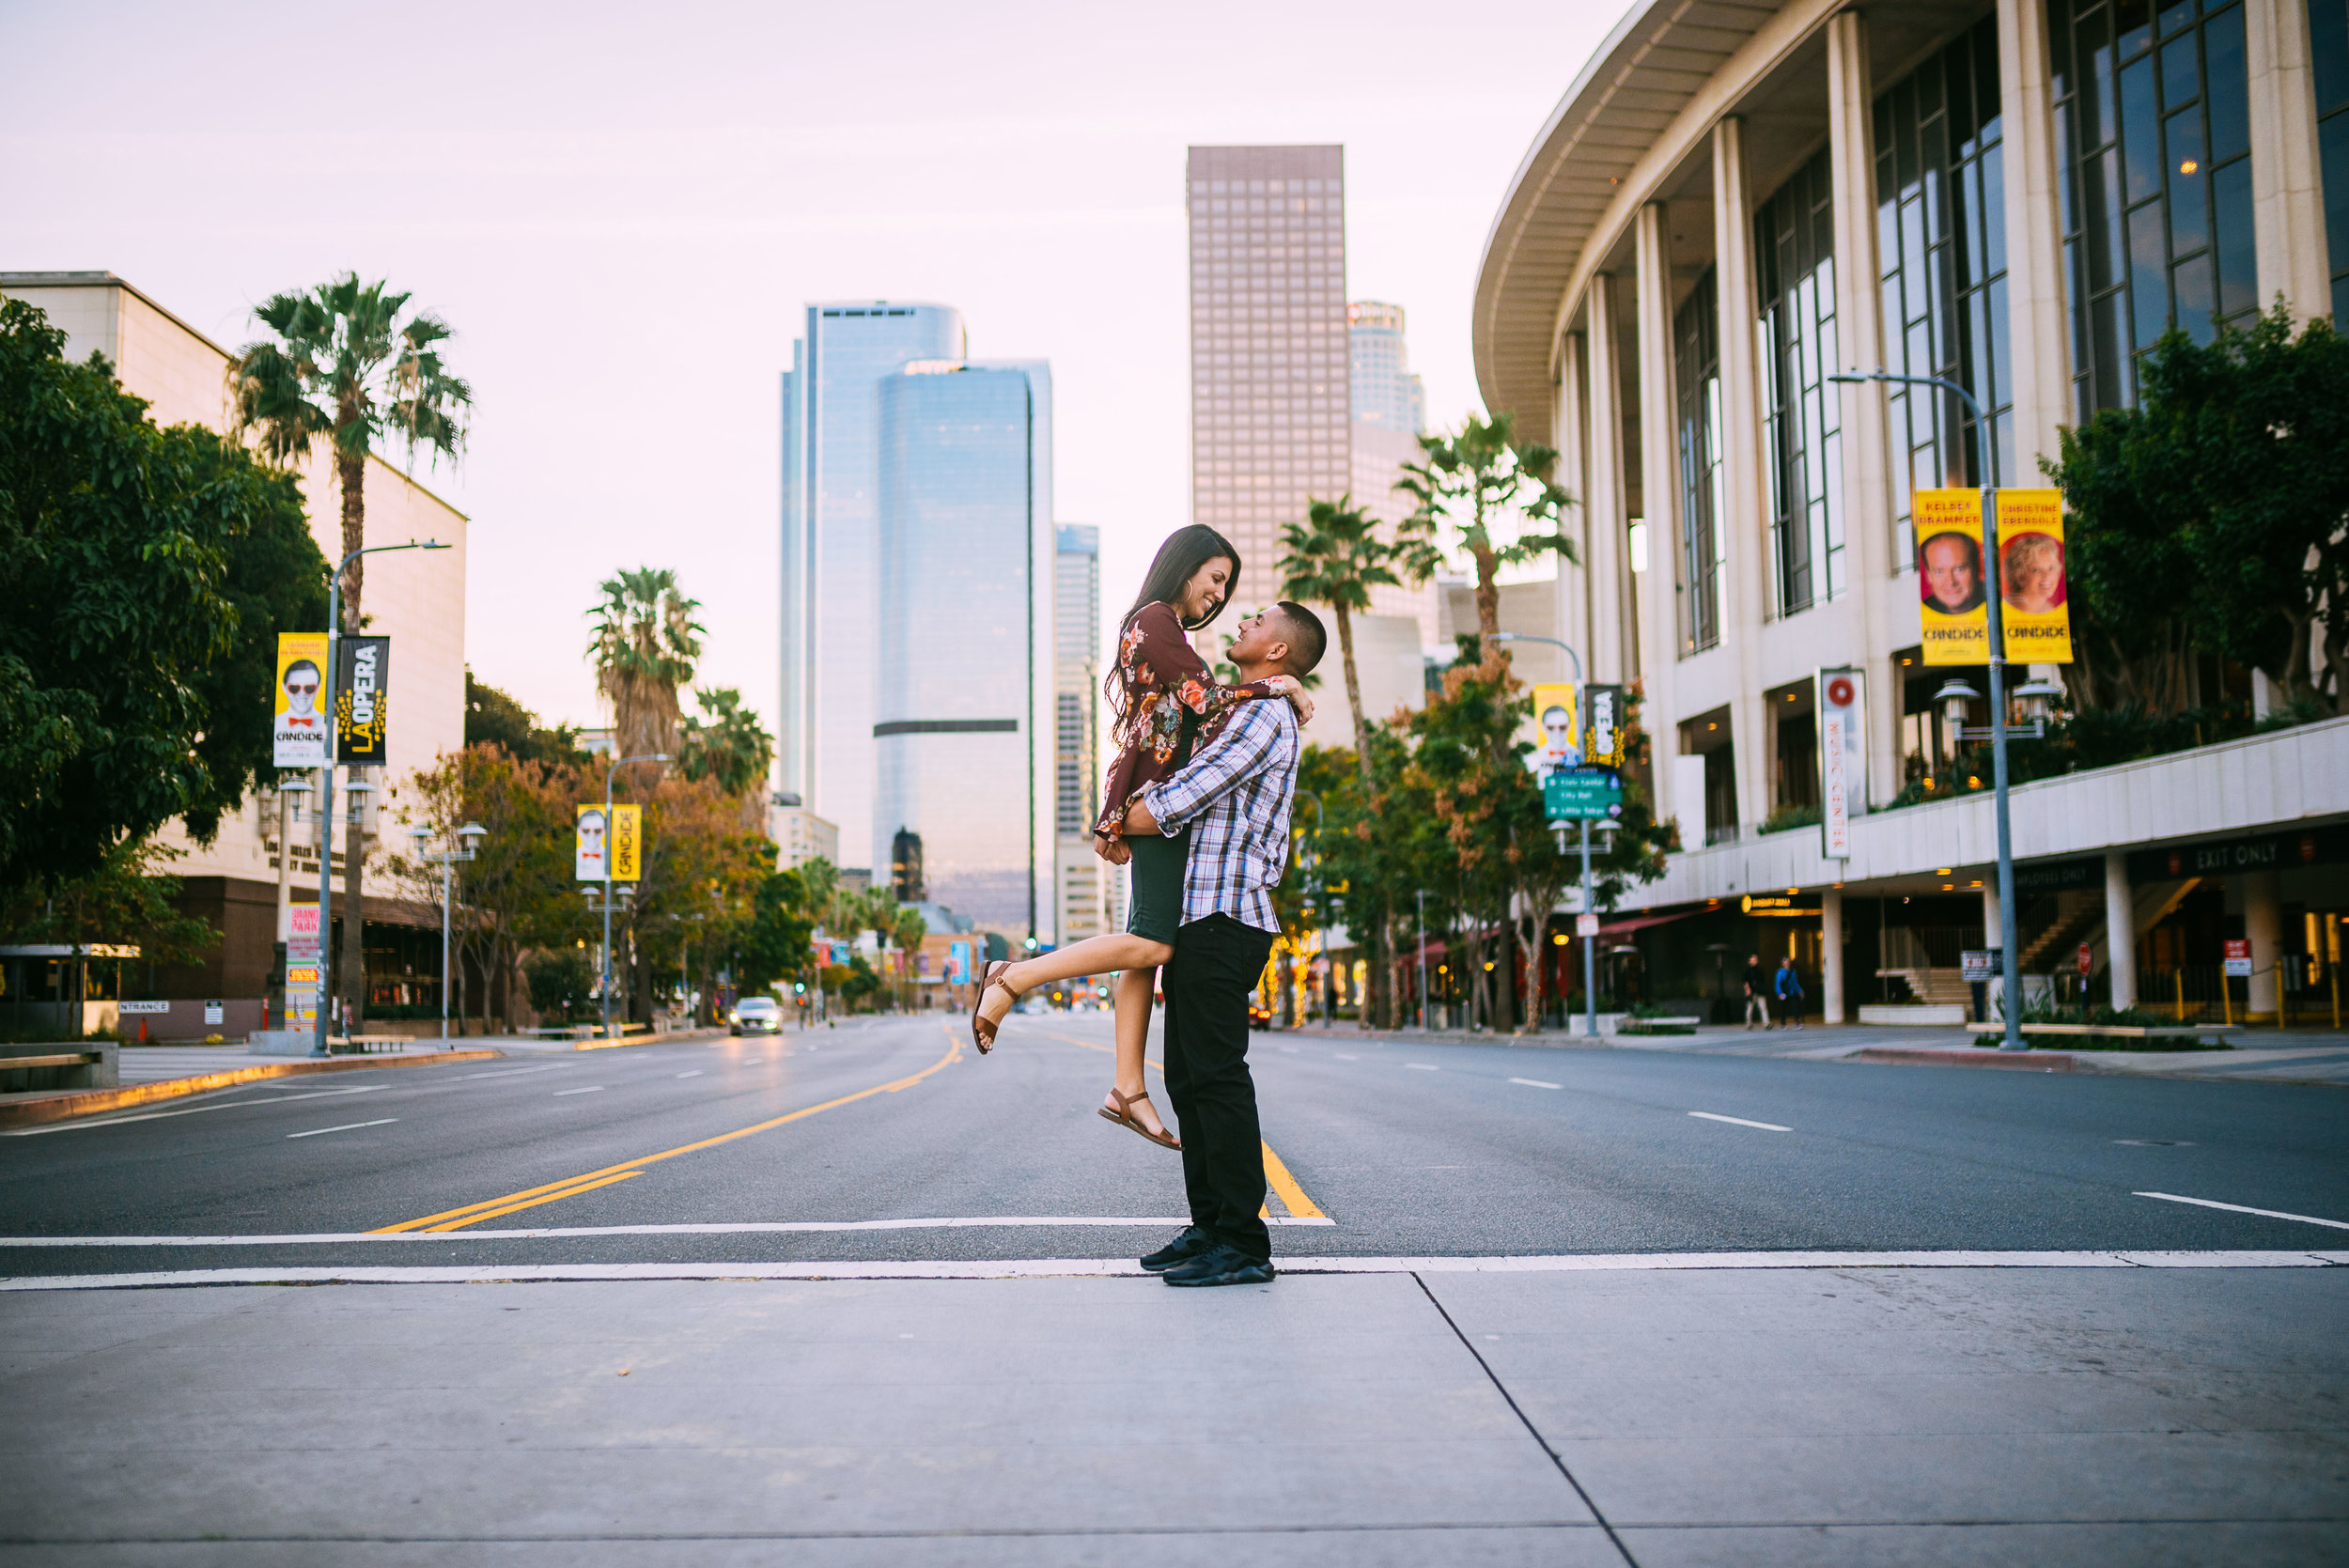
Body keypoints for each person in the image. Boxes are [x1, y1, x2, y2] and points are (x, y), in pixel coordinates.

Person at [967, 525, 1312, 1149]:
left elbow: (1148, 730)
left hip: (1152, 799)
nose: (1218, 596)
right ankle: (1012, 977)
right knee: (1152, 945)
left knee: (1141, 944)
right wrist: (1276, 684)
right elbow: (1199, 704)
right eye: (1214, 579)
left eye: (1226, 589)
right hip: (1160, 808)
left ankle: (1128, 1086)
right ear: (1183, 567)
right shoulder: (1153, 620)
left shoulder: (1165, 629)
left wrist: (1112, 806)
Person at [1122, 601, 1325, 1287]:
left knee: (1216, 1078)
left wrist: (1121, 818)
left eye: (1258, 618)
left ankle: (1241, 1239)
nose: (1241, 618)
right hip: (1198, 919)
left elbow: (1182, 796)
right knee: (1188, 1078)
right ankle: (1210, 1224)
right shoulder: (1257, 703)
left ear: (1278, 652)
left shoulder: (1265, 719)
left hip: (1225, 919)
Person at [1919, 531, 1985, 614]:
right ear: (1929, 575)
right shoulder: (1922, 611)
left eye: (1959, 569)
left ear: (1976, 568)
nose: (1951, 582)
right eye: (1939, 572)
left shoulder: (1997, 602)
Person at [2001, 531, 2064, 615]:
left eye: (2051, 568)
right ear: (2020, 577)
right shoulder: (2020, 606)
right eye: (2036, 570)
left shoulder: (2046, 607)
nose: (2047, 575)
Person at [1774, 955, 1806, 1030]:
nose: (1787, 962)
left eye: (1788, 961)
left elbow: (1795, 983)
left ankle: (1797, 1022)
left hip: (1791, 992)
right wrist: (1779, 993)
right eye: (1785, 961)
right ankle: (1783, 1023)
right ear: (1782, 963)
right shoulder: (1780, 972)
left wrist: (1800, 991)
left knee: (1795, 1006)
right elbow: (1777, 984)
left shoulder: (1792, 971)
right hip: (1783, 993)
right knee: (1783, 1008)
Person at [1742, 955, 1769, 1031]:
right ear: (1749, 961)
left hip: (1760, 991)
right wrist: (1747, 990)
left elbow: (1762, 981)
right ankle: (1749, 1023)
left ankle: (1766, 1023)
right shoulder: (1747, 970)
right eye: (1753, 960)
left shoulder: (1760, 970)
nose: (1754, 961)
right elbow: (1745, 981)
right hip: (1751, 991)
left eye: (1756, 960)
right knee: (1749, 1008)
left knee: (1763, 1007)